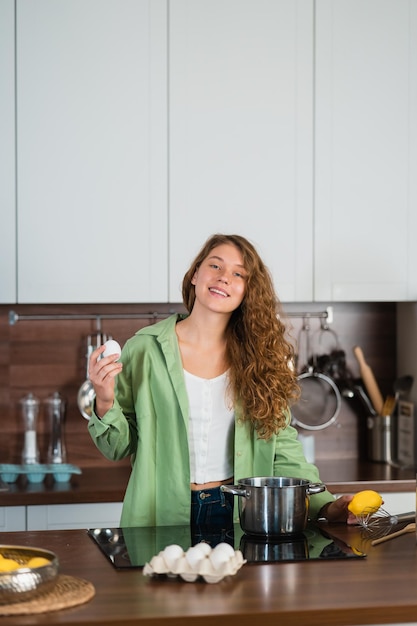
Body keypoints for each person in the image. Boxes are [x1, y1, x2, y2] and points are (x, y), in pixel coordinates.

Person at [88, 233, 355, 533]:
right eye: (215, 266)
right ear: (195, 275)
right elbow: (117, 447)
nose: (224, 278)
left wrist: (328, 505)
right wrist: (105, 400)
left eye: (238, 273)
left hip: (240, 513)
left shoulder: (260, 360)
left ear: (247, 291)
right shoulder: (144, 349)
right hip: (159, 514)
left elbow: (281, 448)